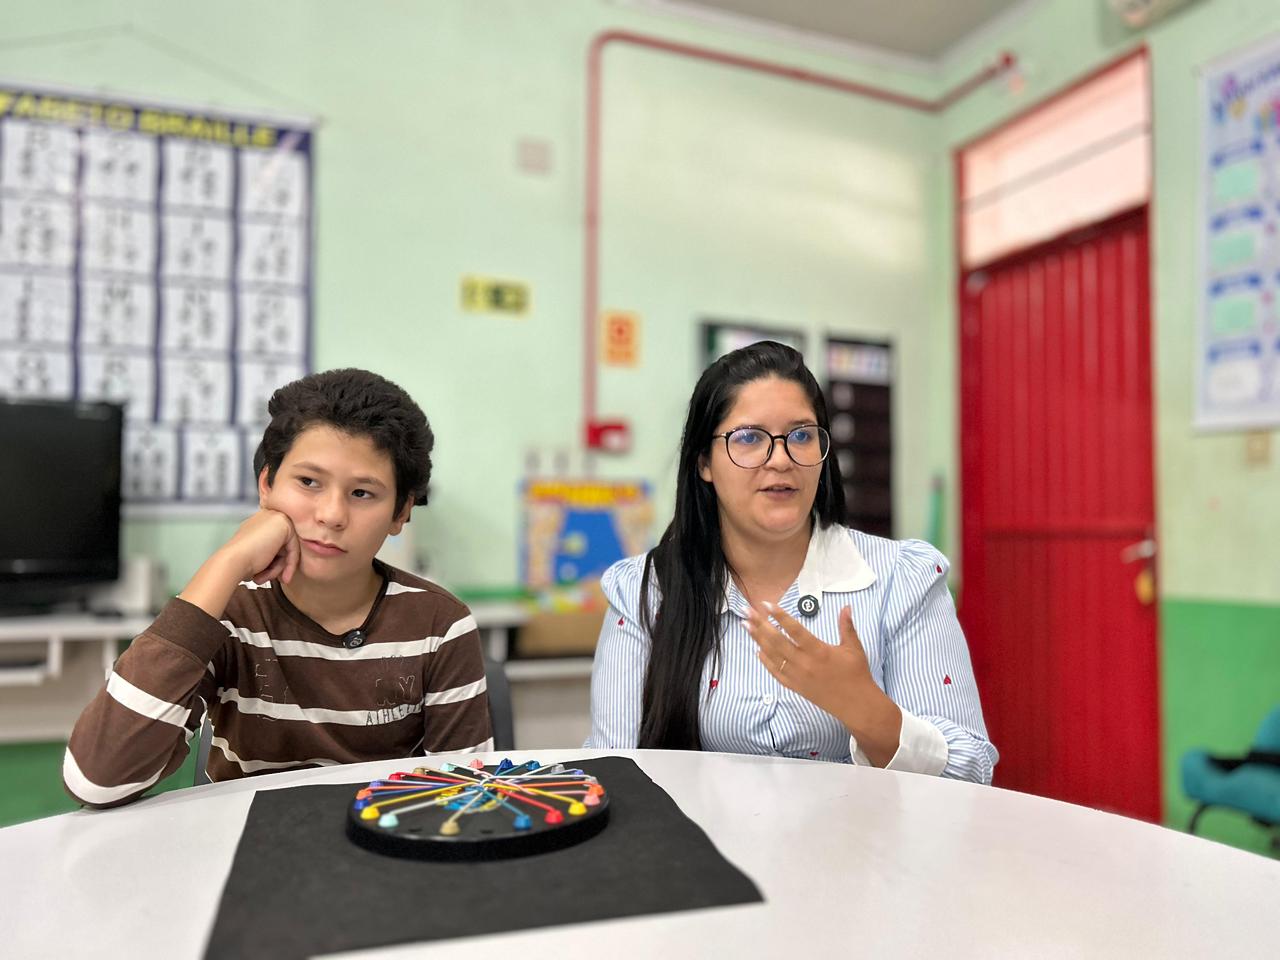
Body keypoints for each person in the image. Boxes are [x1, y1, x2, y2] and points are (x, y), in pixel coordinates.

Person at [64, 369, 492, 808]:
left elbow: (465, 800)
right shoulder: (226, 613)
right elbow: (97, 779)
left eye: (363, 493)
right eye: (308, 482)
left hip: (381, 839)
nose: (331, 515)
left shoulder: (440, 625)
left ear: (401, 512)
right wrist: (229, 560)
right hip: (242, 840)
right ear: (267, 486)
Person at [586, 341, 996, 783]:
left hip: (862, 830)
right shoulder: (646, 589)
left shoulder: (902, 579)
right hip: (690, 831)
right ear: (704, 462)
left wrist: (864, 709)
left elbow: (970, 775)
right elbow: (613, 775)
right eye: (749, 438)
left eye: (801, 435)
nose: (781, 459)